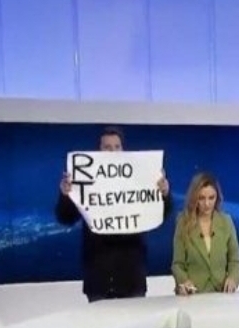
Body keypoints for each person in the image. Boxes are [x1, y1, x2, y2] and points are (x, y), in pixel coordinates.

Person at [55, 126, 172, 302]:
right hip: (98, 280)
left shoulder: (139, 179)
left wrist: (164, 194)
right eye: (107, 147)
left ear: (123, 149)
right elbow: (65, 218)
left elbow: (163, 214)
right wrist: (66, 195)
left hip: (131, 278)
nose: (113, 152)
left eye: (117, 147)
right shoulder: (85, 181)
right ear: (99, 151)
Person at [171, 172, 239, 295]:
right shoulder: (183, 223)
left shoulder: (226, 222)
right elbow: (177, 264)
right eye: (201, 198)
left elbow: (234, 261)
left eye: (211, 198)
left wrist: (232, 279)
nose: (207, 204)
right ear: (194, 198)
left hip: (221, 294)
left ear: (217, 198)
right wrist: (184, 281)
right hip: (193, 295)